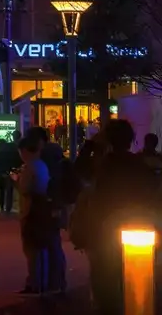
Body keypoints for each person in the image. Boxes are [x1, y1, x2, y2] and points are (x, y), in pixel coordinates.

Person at [73, 119, 157, 315]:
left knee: (104, 281)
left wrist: (91, 144)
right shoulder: (140, 165)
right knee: (133, 284)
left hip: (102, 230)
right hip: (136, 228)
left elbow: (78, 171)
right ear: (132, 139)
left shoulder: (102, 166)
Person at [15, 131, 54, 294]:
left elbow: (25, 189)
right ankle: (41, 282)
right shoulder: (42, 165)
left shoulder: (30, 167)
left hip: (31, 212)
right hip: (40, 211)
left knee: (32, 250)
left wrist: (16, 181)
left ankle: (34, 283)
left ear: (25, 151)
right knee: (40, 250)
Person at [0, 138, 14, 213]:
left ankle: (2, 207)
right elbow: (9, 164)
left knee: (1, 192)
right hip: (7, 174)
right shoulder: (7, 154)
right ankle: (8, 207)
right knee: (8, 191)